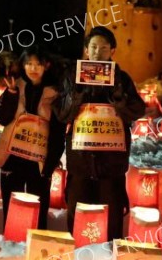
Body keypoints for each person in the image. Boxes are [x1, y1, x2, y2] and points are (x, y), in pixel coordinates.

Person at [53, 26, 145, 239]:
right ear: (86, 50)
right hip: (80, 161)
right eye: (93, 47)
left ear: (112, 51)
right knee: (77, 215)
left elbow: (136, 110)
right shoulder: (72, 76)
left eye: (104, 48)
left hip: (111, 162)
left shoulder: (121, 78)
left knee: (111, 218)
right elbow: (62, 114)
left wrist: (119, 97)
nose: (98, 52)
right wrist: (75, 95)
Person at [0, 46, 65, 229]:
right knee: (11, 207)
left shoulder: (55, 93)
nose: (33, 68)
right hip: (13, 156)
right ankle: (11, 246)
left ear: (46, 66)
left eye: (38, 64)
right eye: (29, 64)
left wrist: (51, 163)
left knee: (38, 208)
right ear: (23, 66)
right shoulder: (15, 86)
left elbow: (58, 131)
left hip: (38, 159)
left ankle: (36, 249)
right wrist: (11, 95)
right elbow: (2, 118)